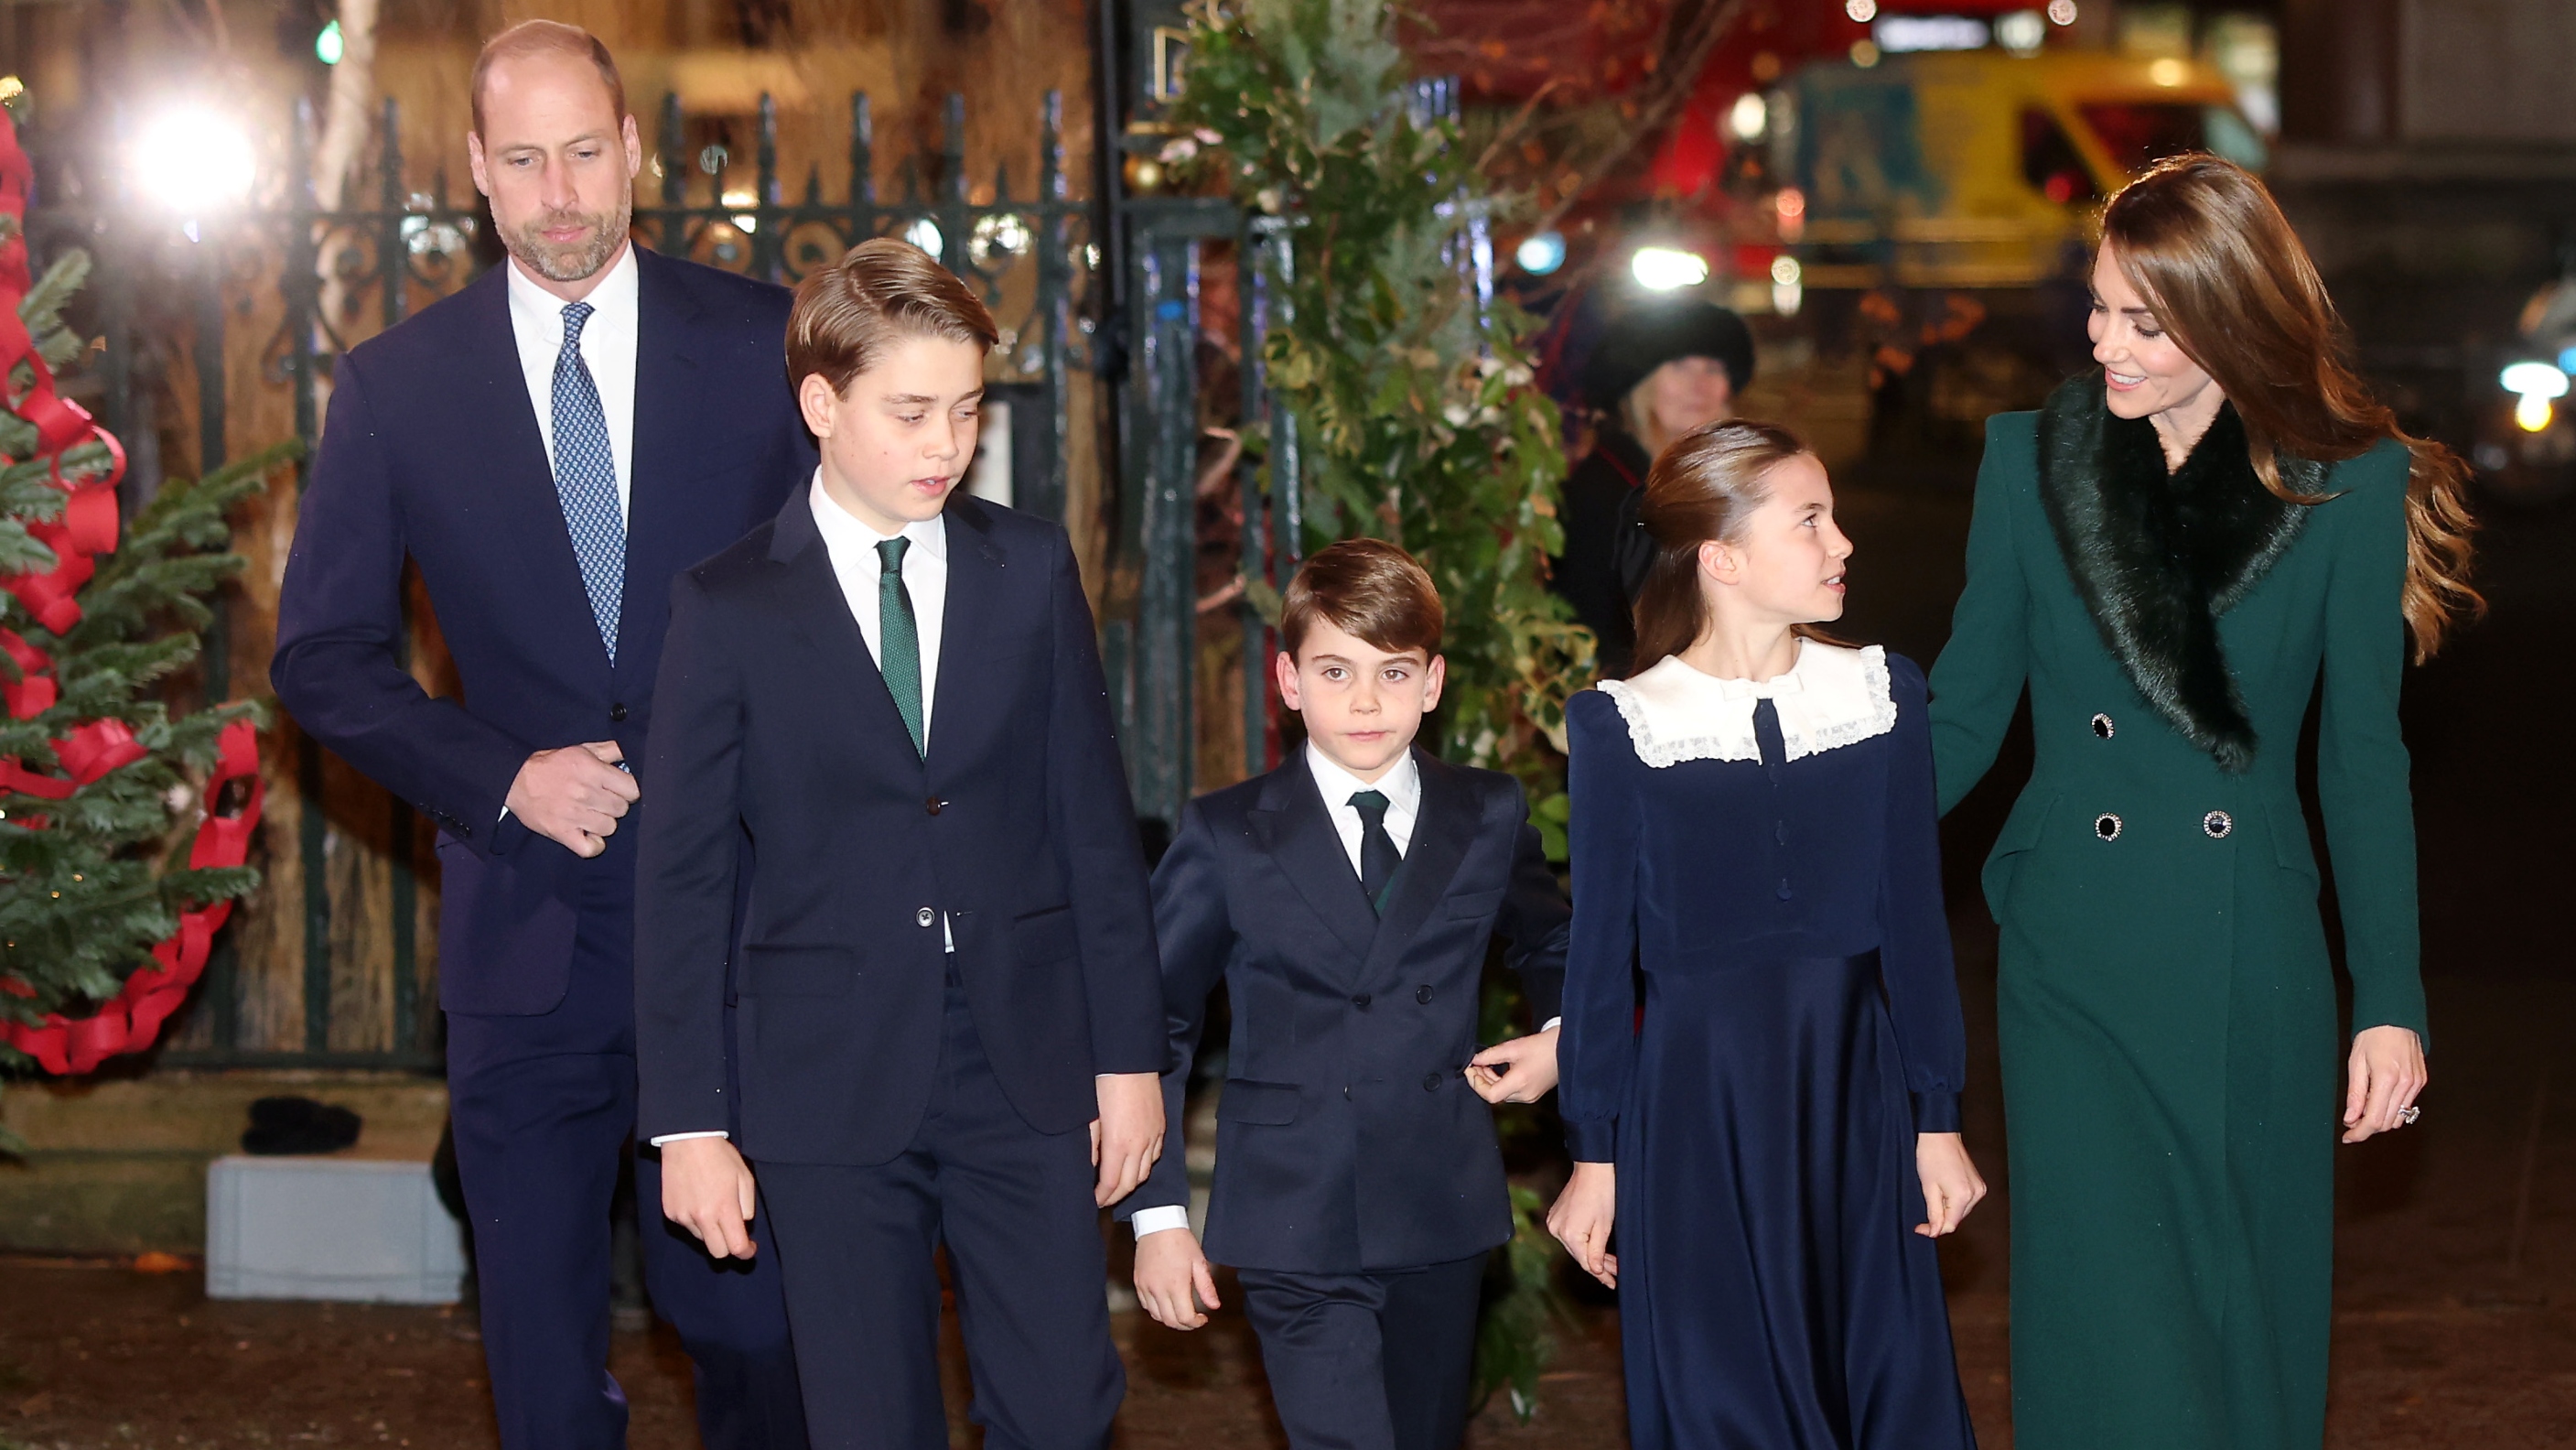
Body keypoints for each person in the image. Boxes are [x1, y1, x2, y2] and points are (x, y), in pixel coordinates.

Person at [270, 22, 810, 1450]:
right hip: (527, 941)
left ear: (633, 146)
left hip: (740, 928)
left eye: (584, 151)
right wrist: (498, 774)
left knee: (752, 1332)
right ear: (475, 174)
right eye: (524, 160)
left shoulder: (766, 345)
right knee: (545, 1373)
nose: (560, 192)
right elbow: (320, 656)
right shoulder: (396, 387)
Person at [1926, 154, 2476, 1449]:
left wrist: (2387, 1000)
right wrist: (1795, 833)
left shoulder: (2348, 485)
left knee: (2240, 1310)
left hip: (2248, 958)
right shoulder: (2028, 459)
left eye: (2143, 321)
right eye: (2098, 307)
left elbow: (2357, 760)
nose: (2102, 343)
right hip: (2070, 952)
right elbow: (1959, 715)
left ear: (2227, 319)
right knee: (2097, 1314)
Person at [635, 238, 1167, 1450]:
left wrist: (1129, 1058)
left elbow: (1090, 822)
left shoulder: (1025, 569)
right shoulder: (726, 606)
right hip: (824, 1077)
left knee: (1061, 1407)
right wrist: (690, 1123)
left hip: (1021, 1065)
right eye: (911, 412)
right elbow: (684, 879)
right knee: (868, 1419)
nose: (945, 444)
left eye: (967, 410)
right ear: (821, 405)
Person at [1546, 420, 1985, 1450]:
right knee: (1725, 1400)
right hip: (1695, 1115)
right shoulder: (1620, 726)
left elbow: (1914, 926)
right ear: (1723, 559)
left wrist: (1937, 1115)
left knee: (1878, 1390)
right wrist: (1593, 1152)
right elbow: (1601, 956)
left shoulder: (1883, 695)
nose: (1842, 545)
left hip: (1857, 1100)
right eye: (1811, 521)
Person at [1121, 539, 1572, 1450]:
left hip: (1436, 1198)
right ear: (1289, 682)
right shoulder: (1227, 834)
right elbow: (1153, 1024)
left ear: (1433, 682)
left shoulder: (1487, 813)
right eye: (1336, 671)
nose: (1366, 701)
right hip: (1291, 1207)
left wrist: (1560, 1033)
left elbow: (1554, 939)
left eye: (1392, 672)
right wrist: (1158, 1217)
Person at [1550, 299, 1755, 675]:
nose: (1700, 385)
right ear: (1640, 384)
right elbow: (1588, 628)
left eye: (1713, 368)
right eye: (1679, 366)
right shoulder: (1604, 491)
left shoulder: (1735, 484)